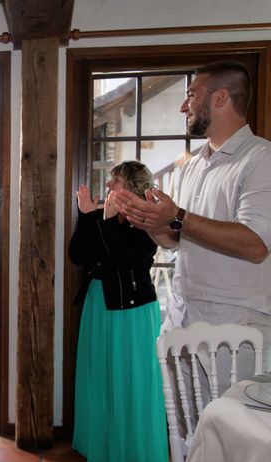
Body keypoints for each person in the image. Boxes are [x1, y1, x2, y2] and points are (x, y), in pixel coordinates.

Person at [111, 61, 271, 392]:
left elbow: (255, 244)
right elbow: (175, 239)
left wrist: (178, 216)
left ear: (220, 98)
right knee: (185, 437)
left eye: (191, 95)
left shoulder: (261, 159)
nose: (184, 106)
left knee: (232, 437)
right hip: (182, 319)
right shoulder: (192, 167)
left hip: (235, 328)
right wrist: (149, 223)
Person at [70, 161, 169, 462]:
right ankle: (103, 449)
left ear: (134, 188)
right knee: (100, 378)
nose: (109, 185)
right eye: (110, 179)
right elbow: (78, 254)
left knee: (131, 382)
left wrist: (109, 221)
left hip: (133, 312)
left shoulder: (149, 223)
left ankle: (133, 455)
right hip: (99, 305)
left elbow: (125, 260)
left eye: (116, 180)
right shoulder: (103, 215)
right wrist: (87, 217)